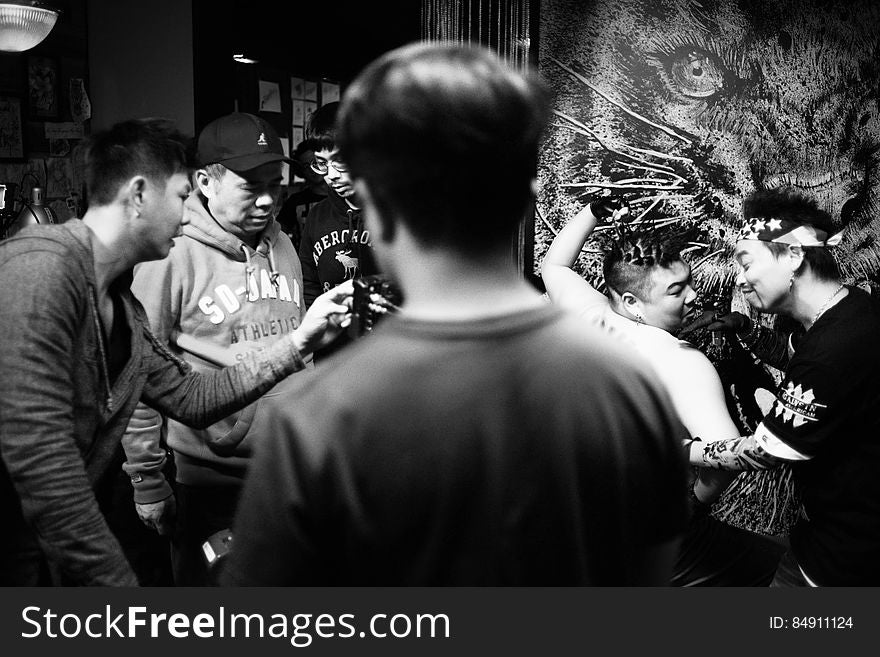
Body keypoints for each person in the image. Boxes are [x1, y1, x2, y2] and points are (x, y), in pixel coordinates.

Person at [221, 43, 690, 586]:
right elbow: (647, 578)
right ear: (527, 195)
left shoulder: (315, 418)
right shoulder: (628, 385)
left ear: (373, 199)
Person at [0, 118, 352, 587]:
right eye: (184, 196)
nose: (189, 217)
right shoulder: (40, 270)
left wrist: (300, 341)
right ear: (140, 195)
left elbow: (191, 398)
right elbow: (39, 465)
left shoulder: (121, 305)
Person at [121, 112, 345, 586]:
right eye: (250, 186)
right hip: (212, 486)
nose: (268, 199)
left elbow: (291, 348)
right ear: (205, 181)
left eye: (275, 184)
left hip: (292, 471)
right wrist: (147, 479)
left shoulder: (282, 242)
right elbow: (136, 376)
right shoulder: (171, 256)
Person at [541, 199, 785, 585]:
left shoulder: (585, 312)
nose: (692, 296)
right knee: (792, 573)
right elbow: (731, 454)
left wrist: (593, 210)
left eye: (689, 281)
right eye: (676, 291)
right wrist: (695, 505)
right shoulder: (681, 362)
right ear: (633, 302)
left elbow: (553, 266)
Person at [684, 187, 880, 586]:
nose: (740, 278)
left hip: (837, 562)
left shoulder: (831, 349)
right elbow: (798, 365)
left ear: (793, 255)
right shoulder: (849, 312)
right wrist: (744, 329)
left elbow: (763, 452)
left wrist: (688, 450)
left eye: (746, 262)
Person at [297, 102, 381, 362]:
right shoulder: (318, 216)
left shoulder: (398, 212)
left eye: (340, 162)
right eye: (321, 163)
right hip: (332, 359)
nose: (330, 176)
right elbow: (309, 288)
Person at [275, 139, 328, 250]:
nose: (312, 169)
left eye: (316, 162)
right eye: (305, 166)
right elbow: (277, 233)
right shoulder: (295, 201)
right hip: (305, 263)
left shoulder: (342, 196)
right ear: (301, 171)